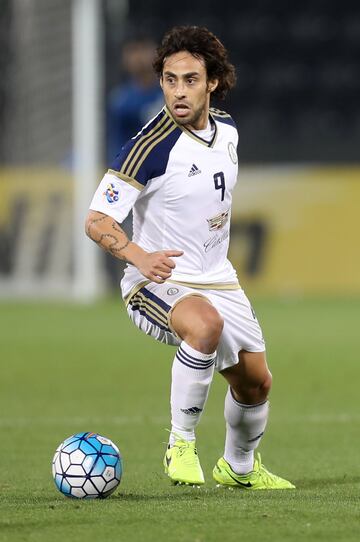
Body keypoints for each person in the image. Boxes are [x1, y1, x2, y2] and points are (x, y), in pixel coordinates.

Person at [86, 25, 295, 490]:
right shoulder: (147, 149)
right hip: (157, 281)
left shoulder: (228, 132)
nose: (178, 92)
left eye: (190, 80)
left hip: (219, 276)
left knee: (256, 383)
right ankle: (180, 443)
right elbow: (97, 220)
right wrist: (138, 256)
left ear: (212, 82)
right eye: (169, 79)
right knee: (204, 325)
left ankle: (238, 468)